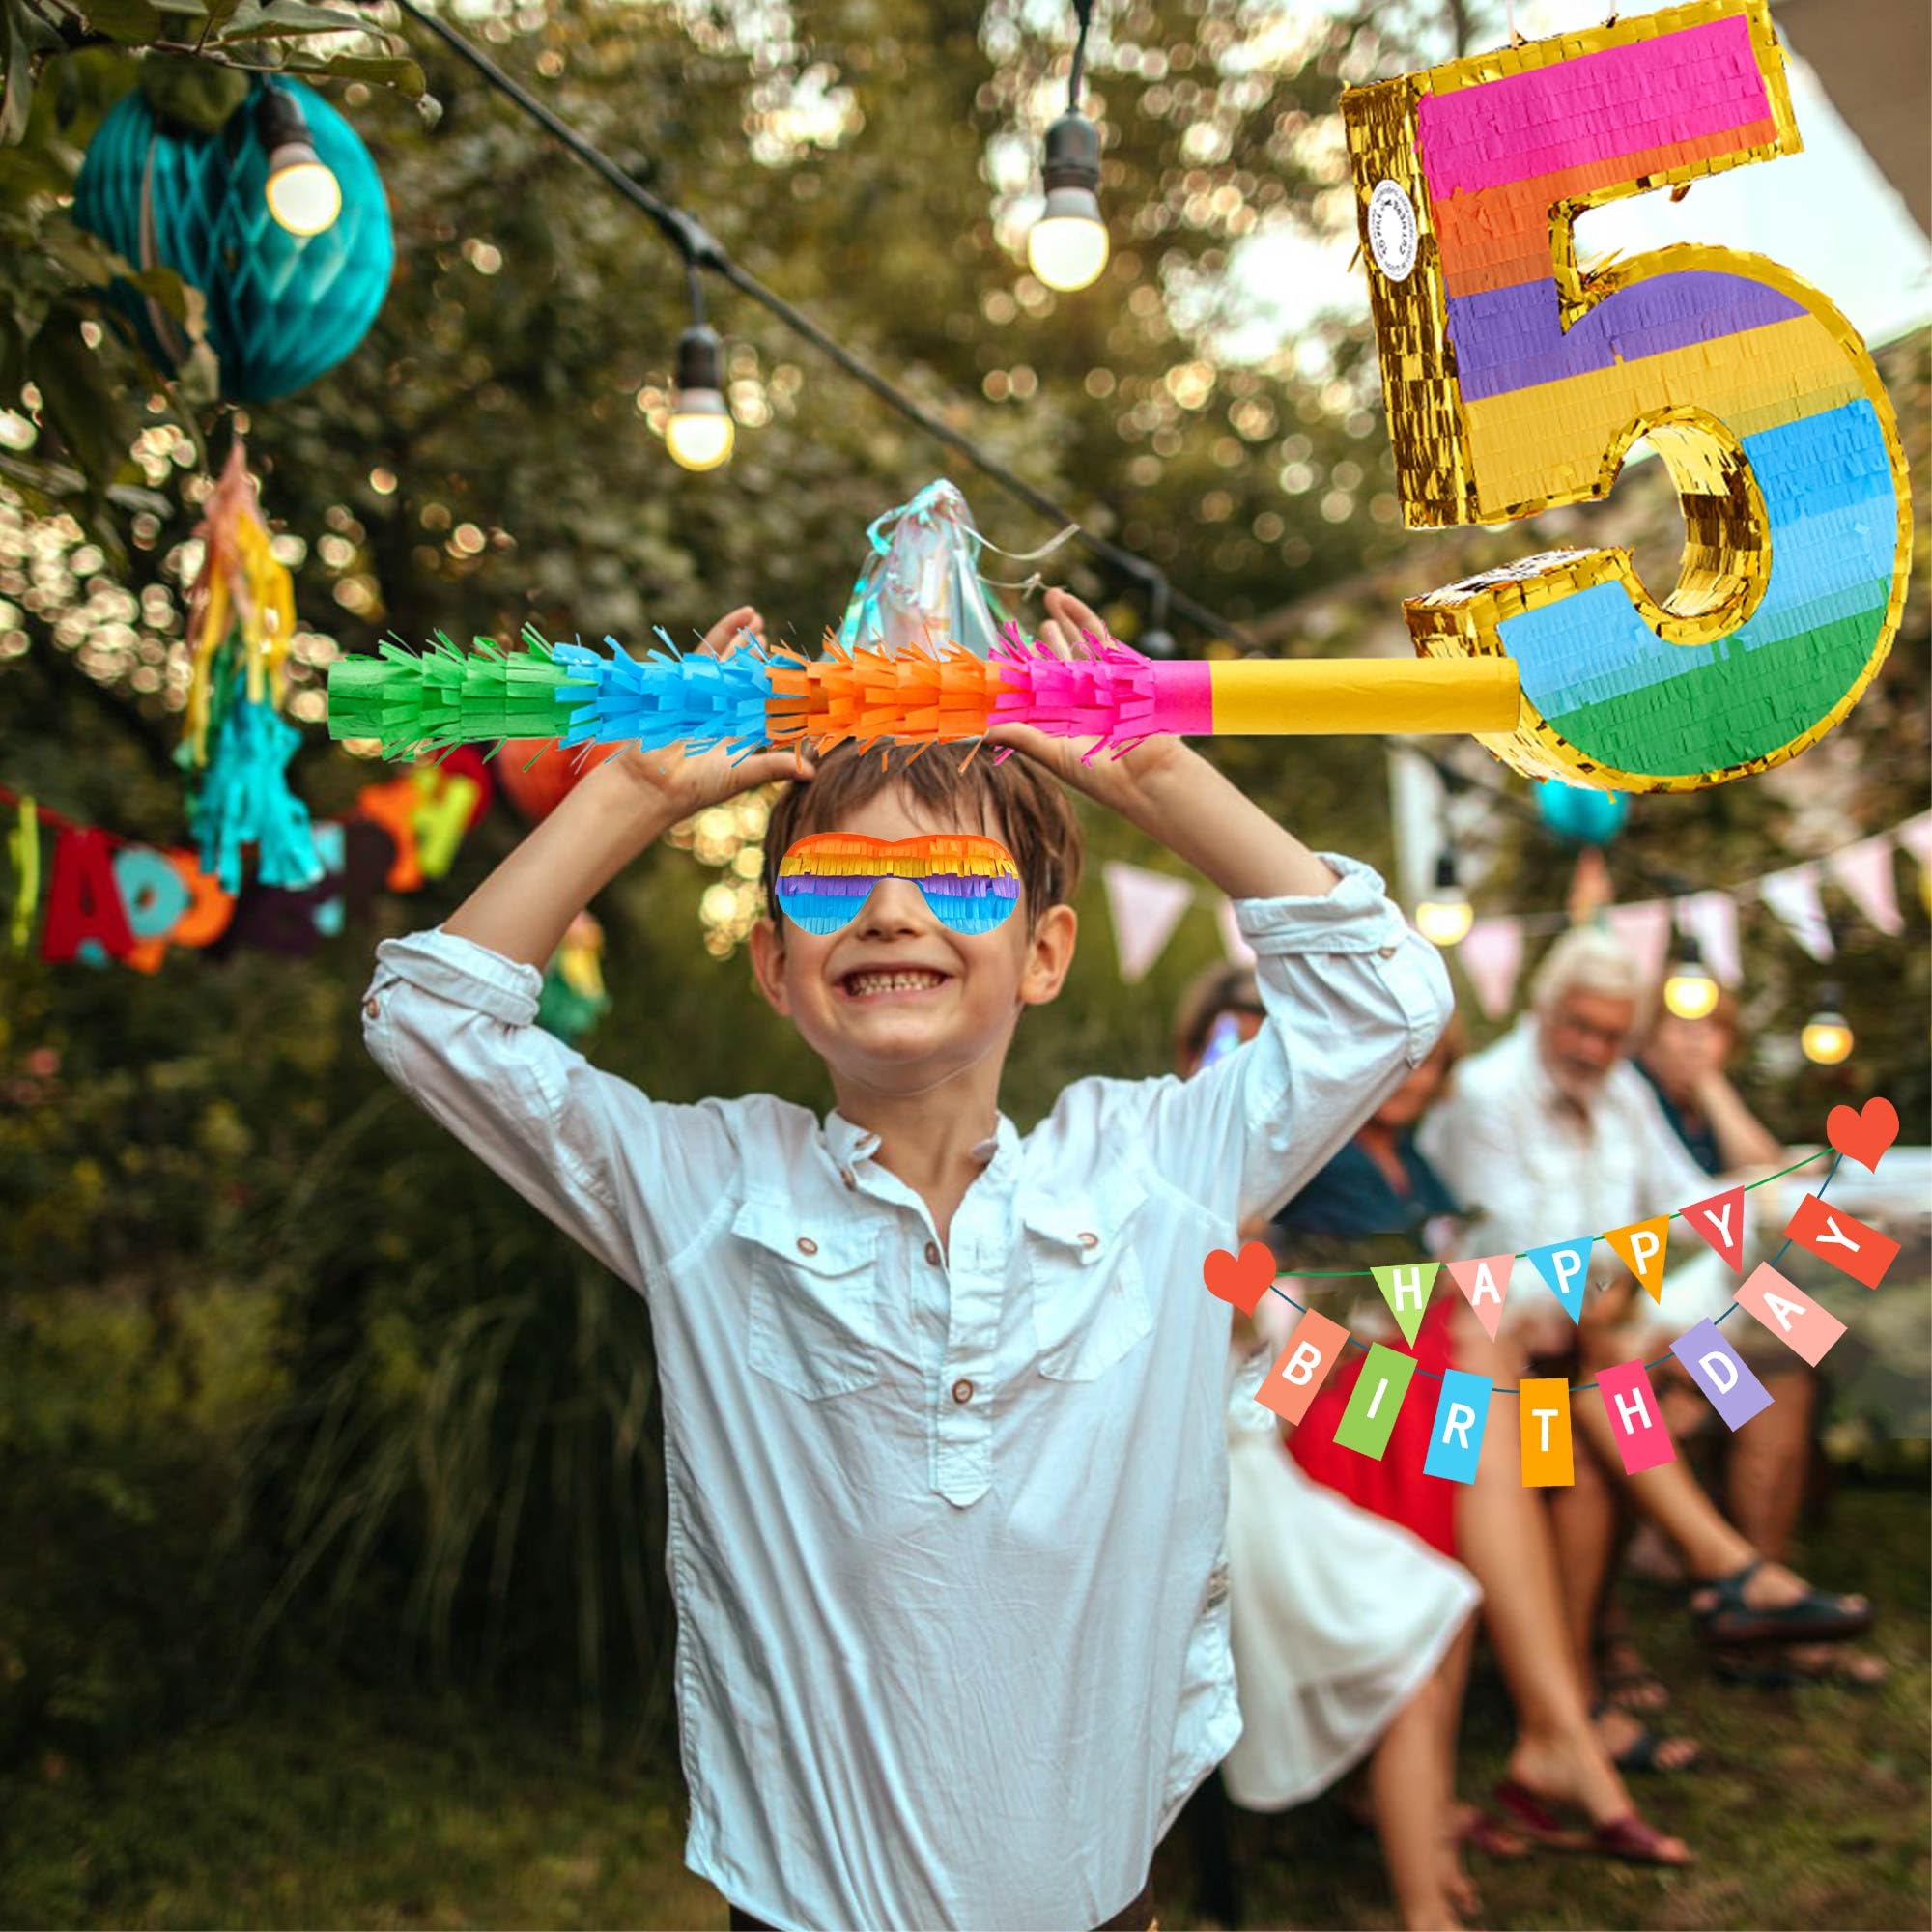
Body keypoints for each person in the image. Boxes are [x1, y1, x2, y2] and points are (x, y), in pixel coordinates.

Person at [361, 588, 1454, 1932]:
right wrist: (632, 794)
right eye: (829, 882)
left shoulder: (1157, 1171)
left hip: (1098, 1904)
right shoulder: (706, 1190)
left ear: (1045, 952)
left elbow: (1390, 1001)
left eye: (957, 878)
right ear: (774, 963)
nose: (890, 910)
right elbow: (430, 1024)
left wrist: (1160, 773)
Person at [1418, 928, 1875, 1744]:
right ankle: (1677, 1612)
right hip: (1530, 1363)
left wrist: (1659, 1305)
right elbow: (1517, 1274)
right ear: (1543, 1009)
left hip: (1633, 1333)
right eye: (1580, 1028)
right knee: (1601, 1433)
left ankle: (1751, 1607)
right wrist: (1637, 1285)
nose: (1594, 1050)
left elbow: (1703, 1211)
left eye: (1611, 1034)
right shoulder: (1487, 1099)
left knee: (1785, 1363)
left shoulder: (1623, 1089)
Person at [1172, 970, 1482, 1932]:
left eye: (1268, 1057)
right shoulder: (1169, 1184)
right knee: (1416, 1615)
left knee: (1438, 1595)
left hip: (1269, 1468)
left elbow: (1288, 1365)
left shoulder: (1258, 1196)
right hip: (1205, 1497)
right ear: (1192, 1057)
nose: (1242, 1072)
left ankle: (1417, 1838)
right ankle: (1422, 1892)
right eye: (1228, 1049)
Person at [1634, 995, 1886, 1690]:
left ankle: (1764, 1588)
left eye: (1708, 1031)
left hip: (1720, 1301)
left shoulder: (1700, 1107)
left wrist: (1713, 1088)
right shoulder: (1632, 1097)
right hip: (1657, 1312)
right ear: (1646, 1032)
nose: (1692, 1045)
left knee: (1801, 1353)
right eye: (1677, 1027)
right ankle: (1752, 1589)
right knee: (1785, 1352)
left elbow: (1763, 1168)